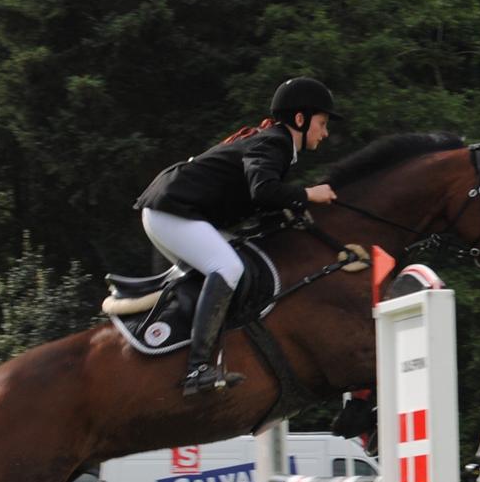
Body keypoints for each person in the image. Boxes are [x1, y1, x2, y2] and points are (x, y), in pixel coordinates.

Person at [134, 77, 339, 396]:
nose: (325, 133)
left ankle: (179, 349)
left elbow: (258, 199)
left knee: (235, 266)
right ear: (300, 119)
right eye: (322, 123)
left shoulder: (272, 141)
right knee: (228, 268)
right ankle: (197, 368)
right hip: (172, 210)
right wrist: (308, 194)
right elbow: (264, 190)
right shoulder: (277, 142)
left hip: (172, 209)